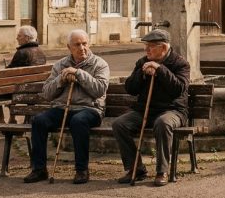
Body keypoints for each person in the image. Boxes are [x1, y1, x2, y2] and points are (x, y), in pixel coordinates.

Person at [23, 29, 109, 185]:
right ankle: (39, 169)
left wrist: (79, 74)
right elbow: (47, 94)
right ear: (69, 47)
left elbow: (99, 90)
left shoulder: (99, 64)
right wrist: (60, 80)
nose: (82, 48)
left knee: (78, 121)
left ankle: (81, 170)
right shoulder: (60, 64)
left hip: (90, 109)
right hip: (63, 108)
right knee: (39, 121)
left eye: (85, 44)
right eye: (77, 44)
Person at [112, 29, 189, 187]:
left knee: (163, 123)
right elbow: (130, 88)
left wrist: (160, 70)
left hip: (172, 111)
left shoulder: (180, 63)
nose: (147, 50)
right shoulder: (142, 62)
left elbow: (178, 89)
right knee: (119, 124)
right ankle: (136, 169)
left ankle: (162, 171)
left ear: (164, 48)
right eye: (146, 45)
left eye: (151, 46)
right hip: (145, 111)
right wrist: (142, 73)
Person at [0, 26, 47, 124]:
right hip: (36, 88)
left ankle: (2, 121)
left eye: (19, 36)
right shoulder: (41, 52)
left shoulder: (22, 53)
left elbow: (9, 73)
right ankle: (12, 118)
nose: (17, 38)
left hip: (22, 89)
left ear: (26, 38)